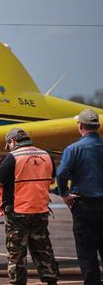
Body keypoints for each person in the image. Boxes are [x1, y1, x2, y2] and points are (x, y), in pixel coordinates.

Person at [0, 127, 59, 285]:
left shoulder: (12, 157)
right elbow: (51, 180)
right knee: (43, 247)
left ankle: (18, 282)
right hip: (40, 209)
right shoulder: (46, 155)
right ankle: (51, 279)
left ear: (12, 141)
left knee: (16, 251)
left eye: (8, 144)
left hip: (18, 211)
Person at [57, 108, 103, 285]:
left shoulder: (73, 149)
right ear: (97, 126)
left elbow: (61, 174)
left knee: (87, 253)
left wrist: (64, 194)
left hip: (85, 206)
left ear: (81, 126)